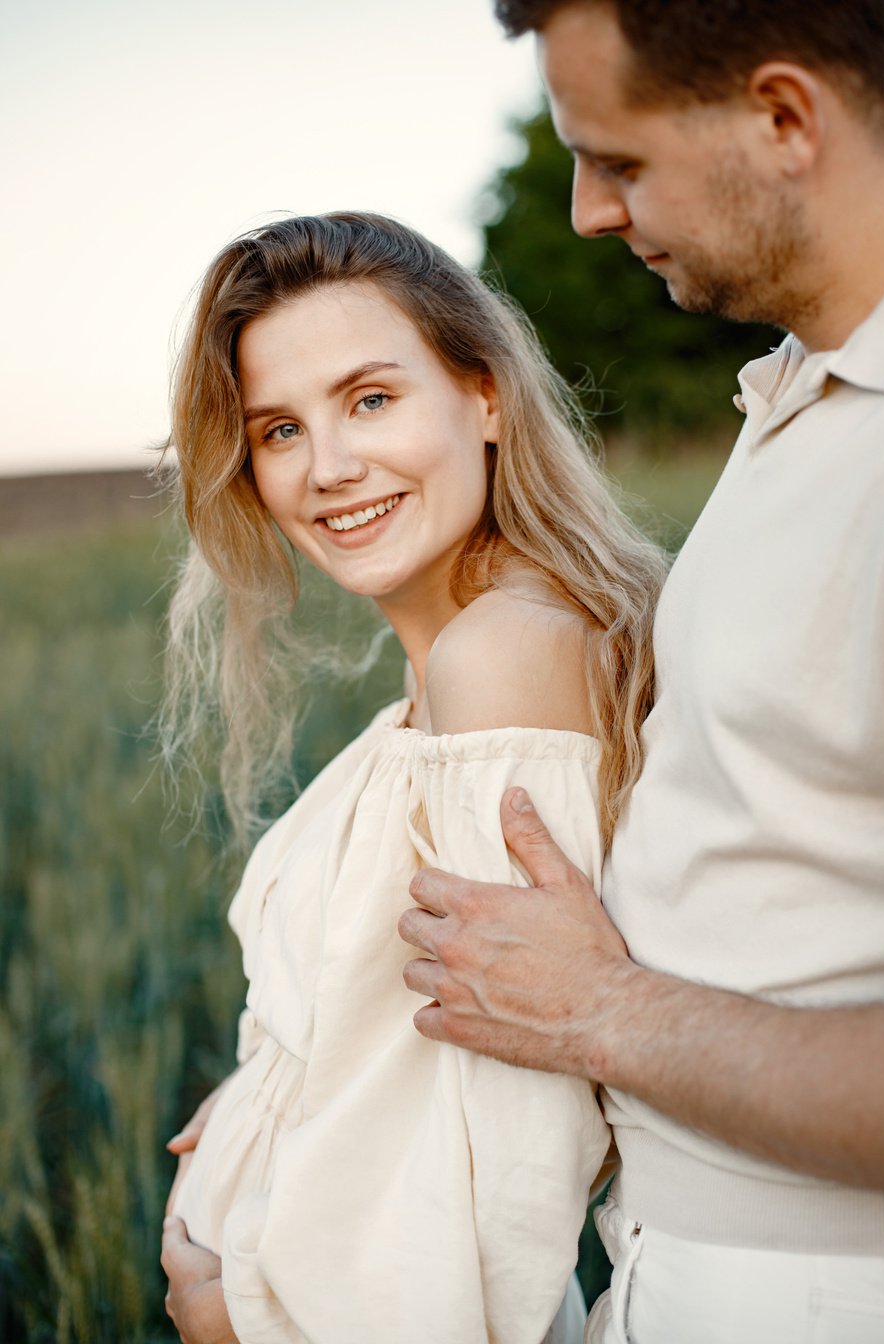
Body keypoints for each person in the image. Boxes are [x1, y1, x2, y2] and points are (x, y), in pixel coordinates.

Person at [398, 2, 884, 1340]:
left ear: (785, 120)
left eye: (616, 159)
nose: (584, 214)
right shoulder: (810, 389)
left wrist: (602, 1011)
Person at [157, 211, 666, 1343]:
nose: (328, 469)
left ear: (483, 396)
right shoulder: (457, 657)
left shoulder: (502, 659)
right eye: (279, 429)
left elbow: (505, 1149)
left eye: (370, 400)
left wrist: (241, 1316)